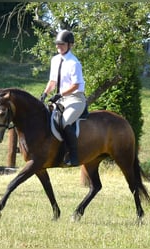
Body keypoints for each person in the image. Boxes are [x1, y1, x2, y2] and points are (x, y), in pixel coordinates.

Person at [40, 30, 86, 166]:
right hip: (61, 99)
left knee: (65, 122)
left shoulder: (74, 63)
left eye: (62, 44)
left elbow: (76, 85)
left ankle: (73, 156)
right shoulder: (55, 60)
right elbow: (53, 81)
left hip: (75, 99)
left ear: (70, 45)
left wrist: (60, 94)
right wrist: (45, 93)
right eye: (57, 44)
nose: (58, 46)